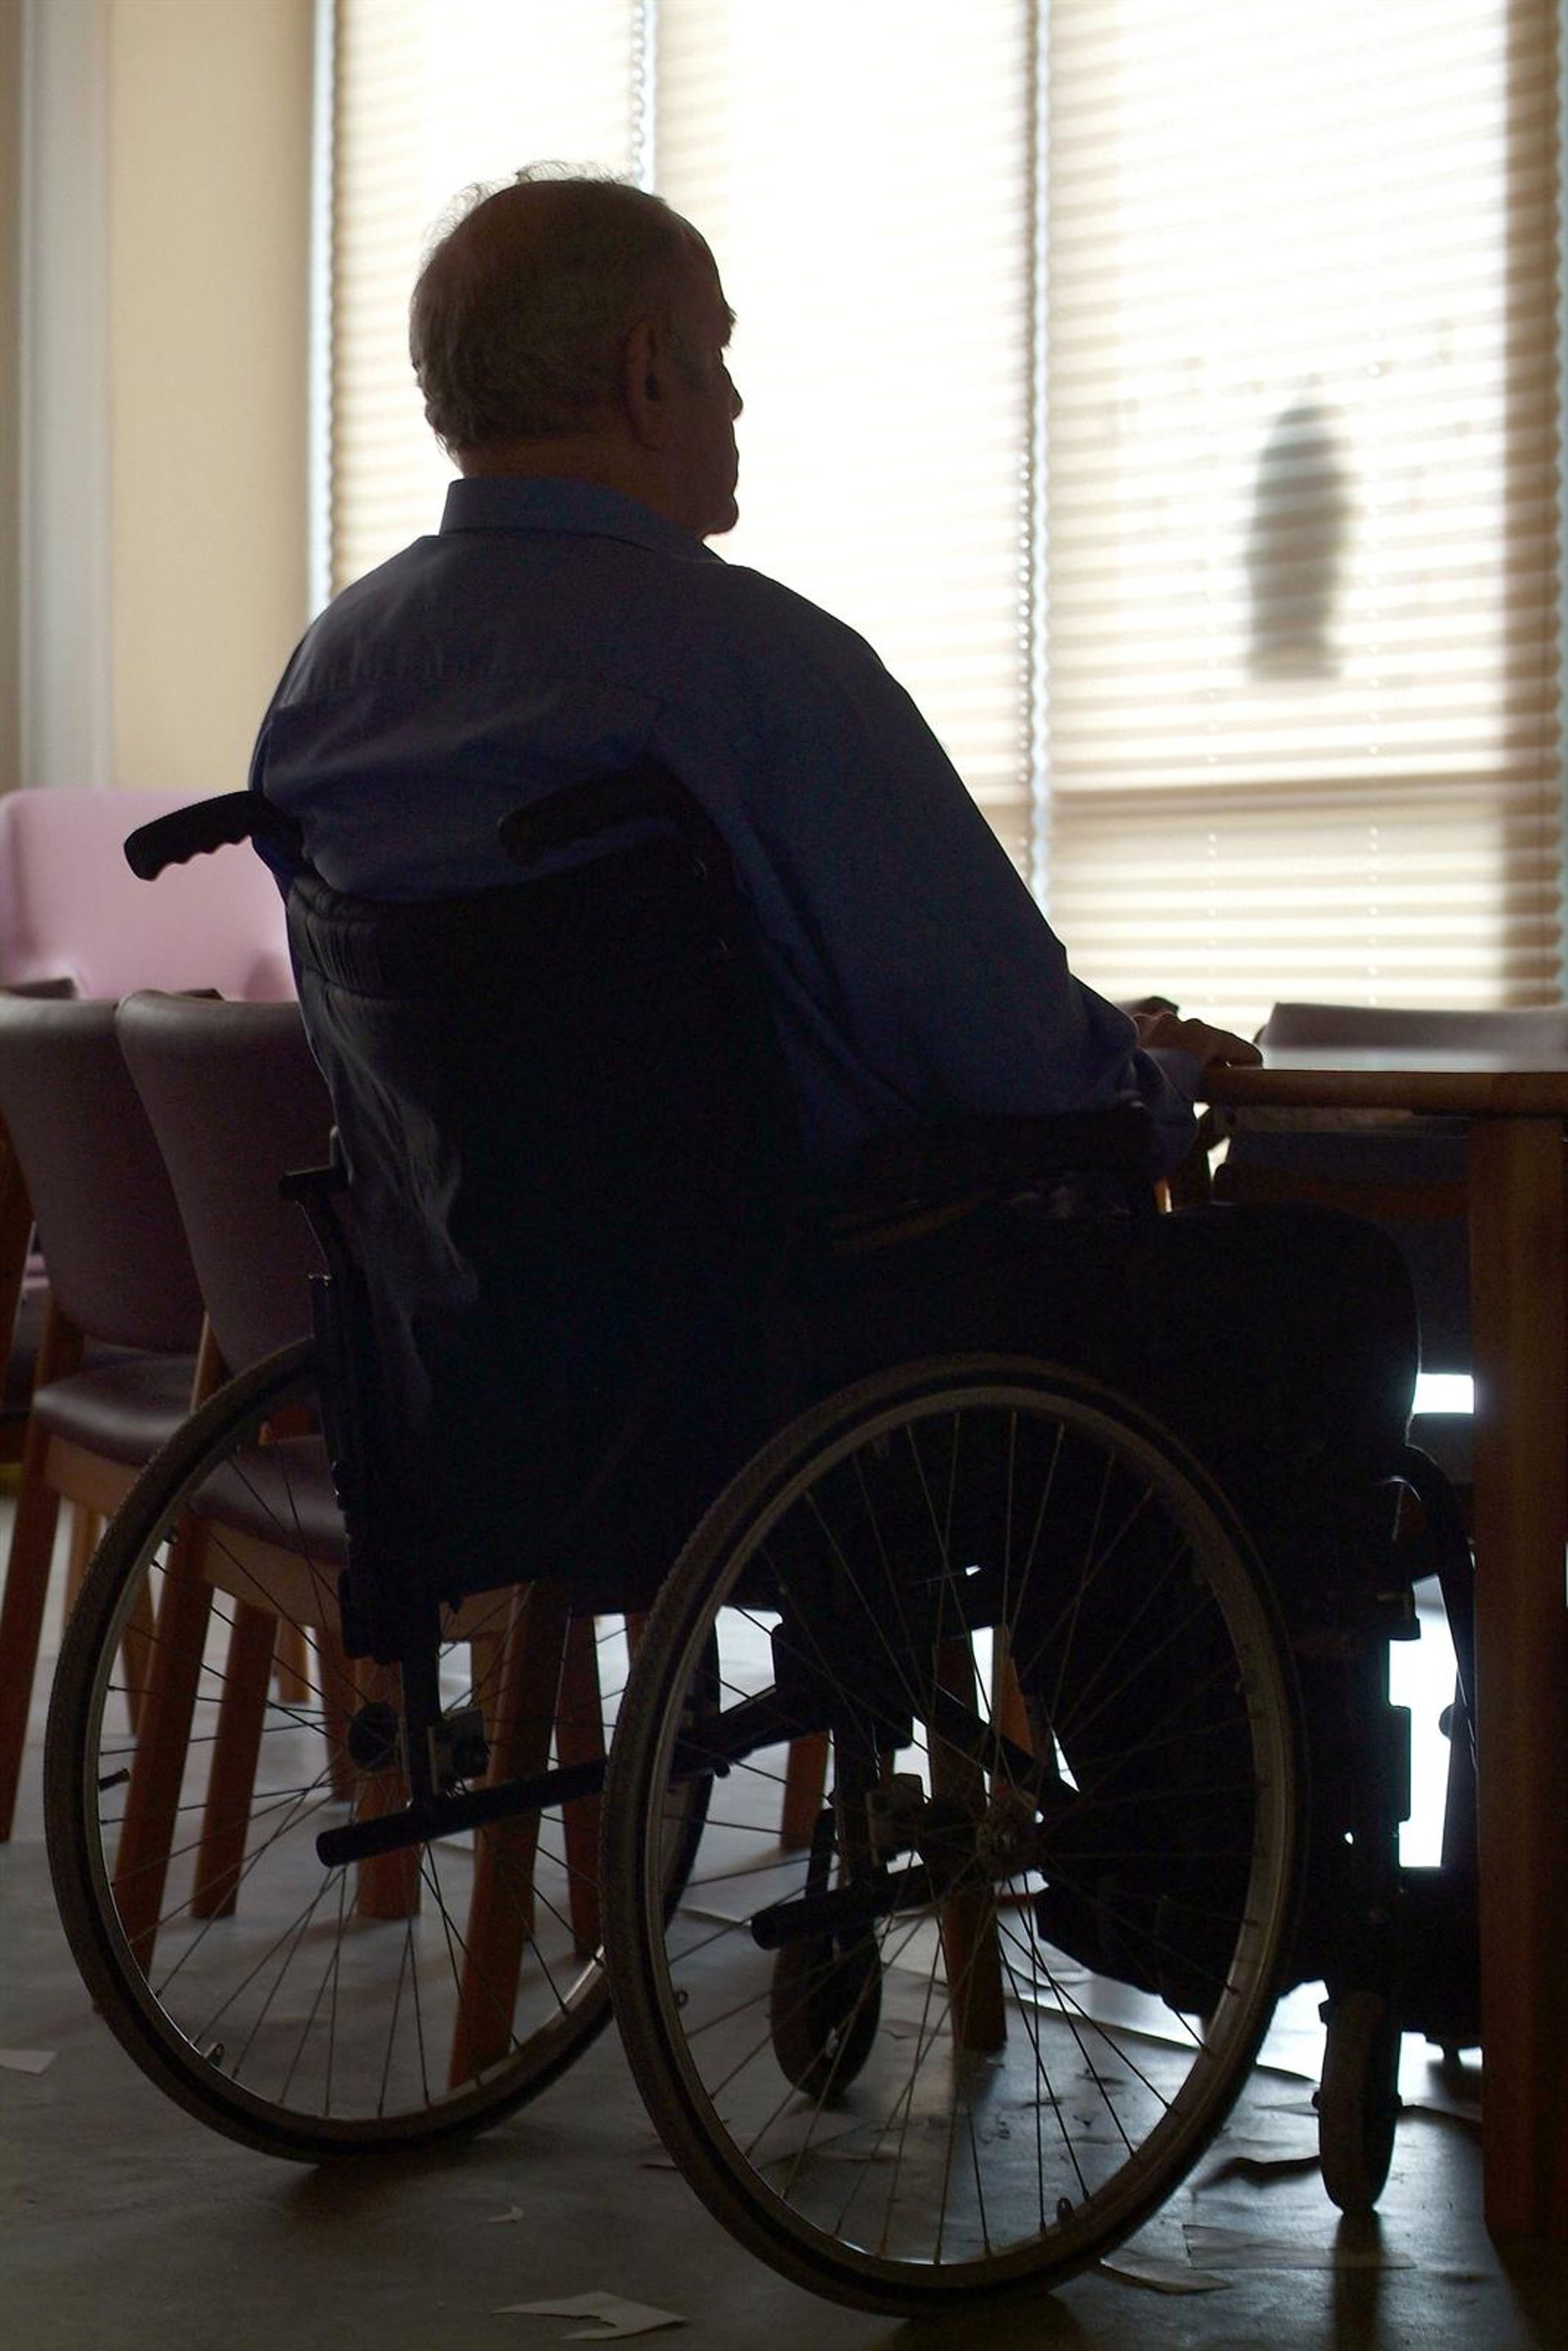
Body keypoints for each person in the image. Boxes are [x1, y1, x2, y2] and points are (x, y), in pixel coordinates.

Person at [251, 167, 1419, 1625]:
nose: (737, 400)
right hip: (793, 1372)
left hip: (485, 1386)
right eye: (719, 354)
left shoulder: (333, 677)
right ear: (649, 372)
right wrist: (1144, 1069)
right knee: (1317, 1288)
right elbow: (1006, 1056)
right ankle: (1212, 1778)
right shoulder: (750, 665)